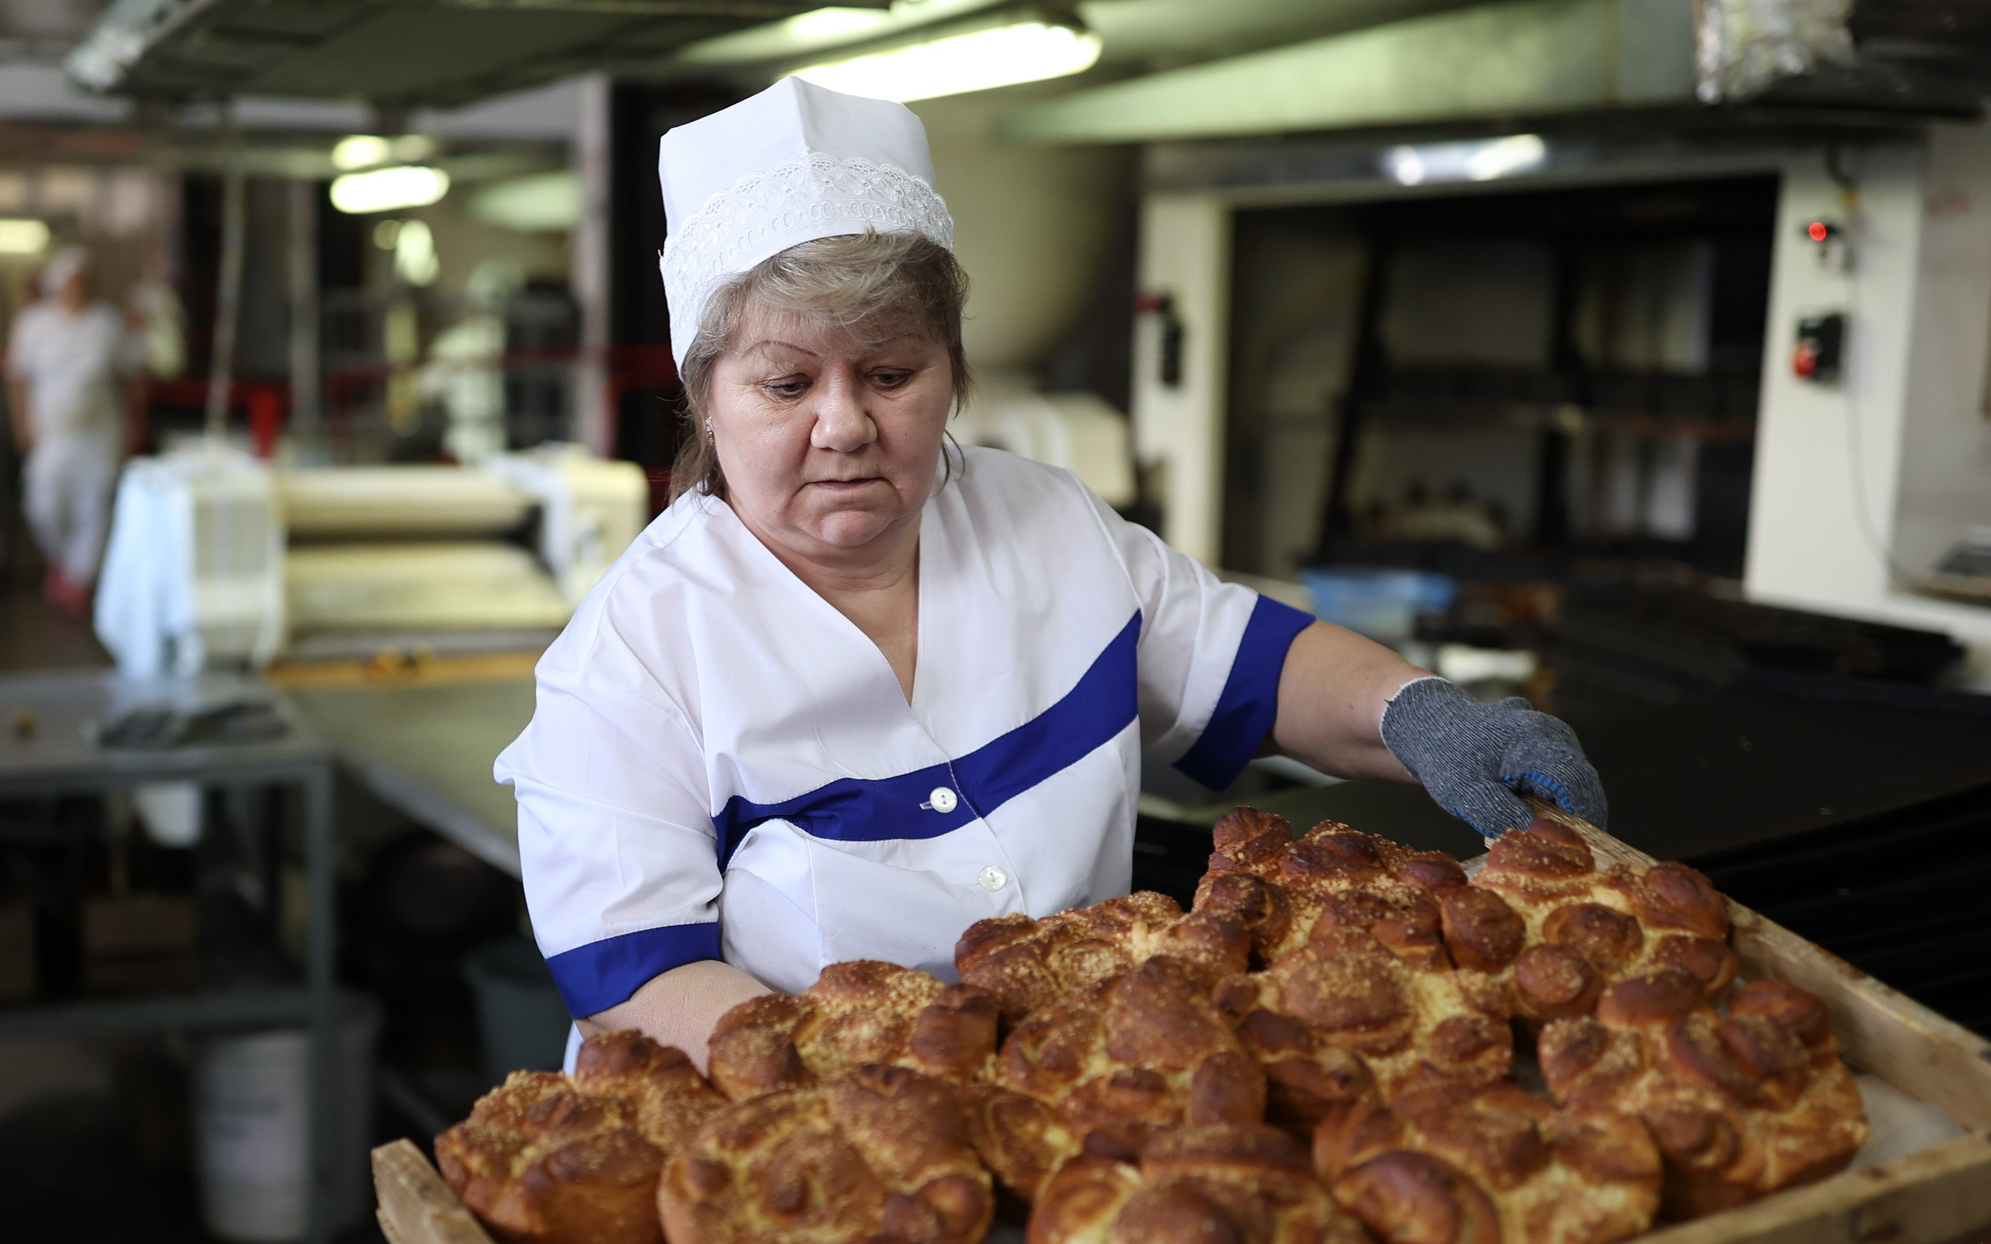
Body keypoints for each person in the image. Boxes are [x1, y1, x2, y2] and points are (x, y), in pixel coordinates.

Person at [495, 79, 1606, 1072]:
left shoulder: (1048, 525)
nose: (844, 425)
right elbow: (636, 983)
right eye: (786, 384)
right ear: (706, 394)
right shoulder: (631, 658)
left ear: (952, 371)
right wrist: (871, 1086)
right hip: (800, 1162)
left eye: (890, 372)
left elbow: (1254, 668)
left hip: (1100, 1094)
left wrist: (1417, 714)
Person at [5, 246, 141, 618]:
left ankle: (78, 582)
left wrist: (133, 426)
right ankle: (67, 565)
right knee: (43, 506)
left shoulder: (105, 323)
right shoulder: (34, 324)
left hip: (98, 435)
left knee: (94, 508)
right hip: (52, 435)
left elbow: (128, 376)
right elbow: (18, 378)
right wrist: (22, 424)